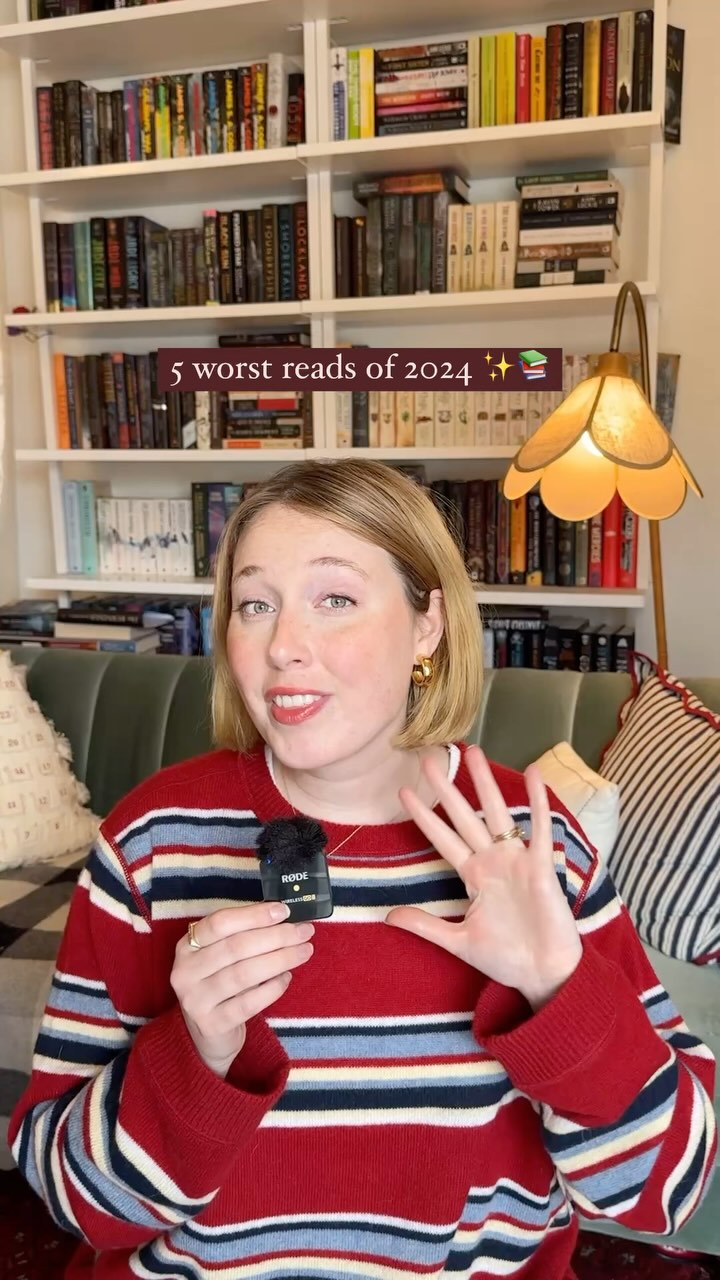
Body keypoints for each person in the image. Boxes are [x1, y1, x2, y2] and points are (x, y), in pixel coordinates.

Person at [8, 457, 717, 1280]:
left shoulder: (537, 846)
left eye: (335, 599)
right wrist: (195, 1054)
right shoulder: (152, 842)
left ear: (427, 625)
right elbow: (77, 1203)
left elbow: (663, 1191)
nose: (282, 647)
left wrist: (560, 988)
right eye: (255, 604)